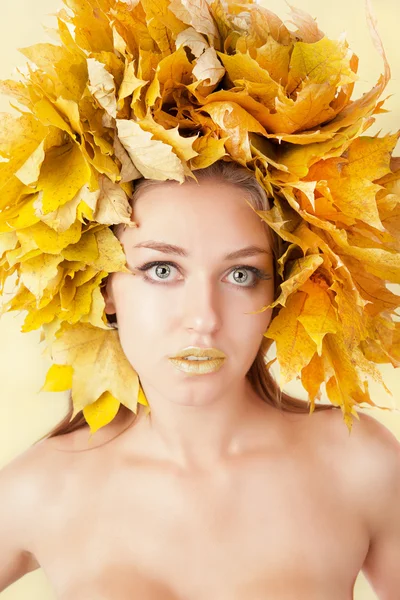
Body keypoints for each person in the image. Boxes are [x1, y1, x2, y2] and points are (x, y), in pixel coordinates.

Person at [0, 0, 399, 598]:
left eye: (241, 275)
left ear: (286, 287)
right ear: (102, 286)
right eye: (162, 269)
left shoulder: (358, 463)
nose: (203, 319)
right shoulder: (41, 488)